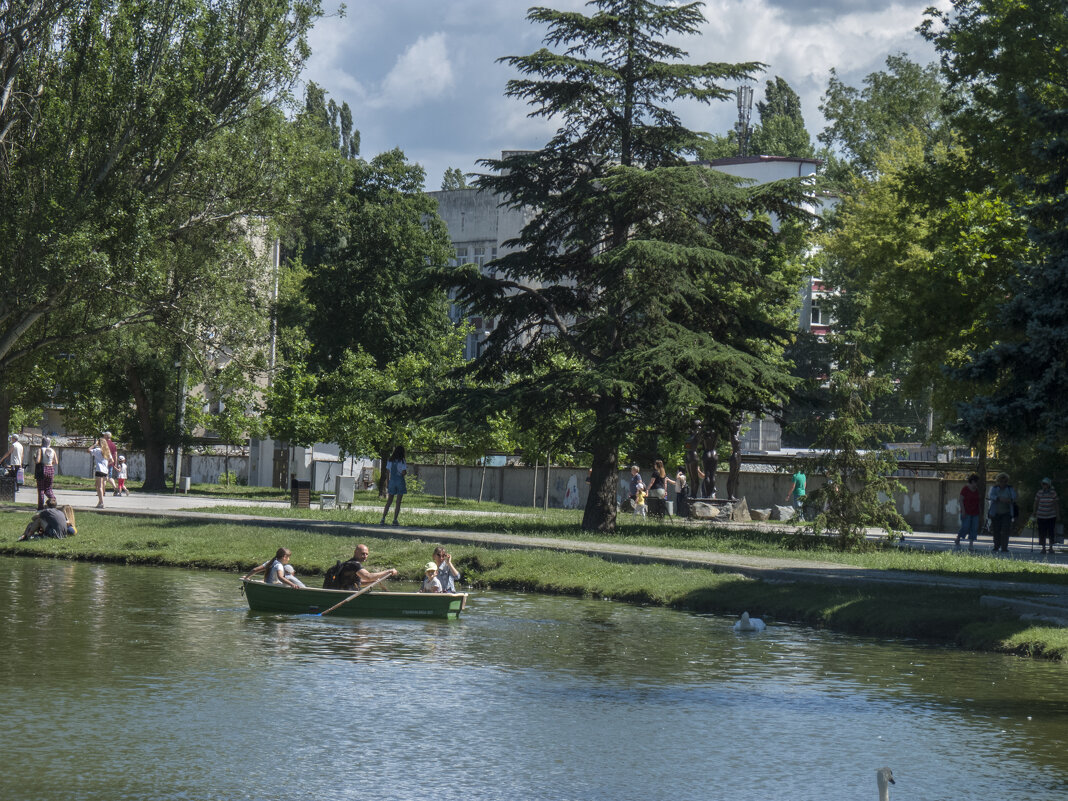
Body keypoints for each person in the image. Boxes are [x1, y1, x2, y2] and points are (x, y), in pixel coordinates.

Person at [334, 544, 398, 591]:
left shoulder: (350, 563)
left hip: (345, 593)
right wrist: (389, 571)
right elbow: (368, 576)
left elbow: (359, 583)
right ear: (355, 553)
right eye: (363, 554)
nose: (365, 556)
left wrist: (373, 582)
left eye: (366, 554)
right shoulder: (354, 564)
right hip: (345, 594)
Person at [988, 472, 1017, 553]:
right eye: (1001, 481)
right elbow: (991, 496)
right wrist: (998, 498)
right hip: (996, 513)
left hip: (1006, 513)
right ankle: (996, 546)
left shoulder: (1010, 488)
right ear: (998, 481)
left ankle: (1004, 547)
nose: (1003, 483)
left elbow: (1014, 497)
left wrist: (1009, 500)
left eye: (1005, 481)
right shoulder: (994, 488)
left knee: (1005, 530)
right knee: (996, 530)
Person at [380, 445, 407, 525]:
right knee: (398, 502)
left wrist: (387, 482)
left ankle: (383, 518)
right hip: (400, 481)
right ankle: (395, 520)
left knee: (389, 501)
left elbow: (387, 472)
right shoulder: (402, 460)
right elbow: (403, 472)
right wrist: (404, 472)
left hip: (392, 481)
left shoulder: (390, 460)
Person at [1033, 477, 1060, 555]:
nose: (1044, 485)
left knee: (1051, 531)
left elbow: (1056, 504)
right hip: (1041, 515)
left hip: (1051, 515)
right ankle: (1043, 548)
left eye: (1046, 484)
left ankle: (1051, 547)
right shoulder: (1039, 492)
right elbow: (1036, 502)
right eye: (1043, 484)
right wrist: (1034, 512)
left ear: (1049, 485)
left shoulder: (1053, 493)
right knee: (1042, 532)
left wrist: (1058, 514)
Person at [955, 473, 982, 548]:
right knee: (965, 527)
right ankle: (958, 537)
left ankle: (971, 544)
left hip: (975, 512)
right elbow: (960, 500)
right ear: (972, 481)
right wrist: (963, 511)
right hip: (966, 512)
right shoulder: (965, 489)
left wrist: (980, 512)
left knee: (974, 527)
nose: (977, 484)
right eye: (976, 482)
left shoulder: (976, 490)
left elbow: (978, 501)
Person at [36, 436, 58, 510]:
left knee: (41, 489)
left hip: (42, 469)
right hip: (51, 469)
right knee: (48, 488)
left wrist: (34, 458)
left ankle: (40, 507)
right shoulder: (52, 450)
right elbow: (56, 462)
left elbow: (37, 461)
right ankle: (53, 501)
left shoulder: (40, 450)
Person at [88, 437, 110, 508]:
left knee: (99, 486)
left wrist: (94, 444)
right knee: (98, 486)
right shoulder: (107, 451)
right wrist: (106, 464)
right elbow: (112, 460)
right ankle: (100, 501)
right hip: (105, 470)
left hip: (99, 469)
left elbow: (88, 450)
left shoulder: (97, 450)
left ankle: (102, 502)